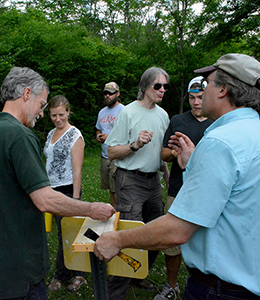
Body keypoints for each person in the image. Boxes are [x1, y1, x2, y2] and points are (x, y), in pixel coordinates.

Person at [94, 53, 260, 299]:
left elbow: (178, 230)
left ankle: (135, 276)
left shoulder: (220, 142)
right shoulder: (251, 130)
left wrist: (117, 239)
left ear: (223, 90)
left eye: (209, 84)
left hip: (219, 289)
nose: (204, 91)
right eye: (157, 85)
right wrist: (193, 162)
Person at [0, 67, 115, 300]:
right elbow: (45, 199)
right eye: (42, 105)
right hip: (22, 268)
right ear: (26, 94)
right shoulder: (19, 135)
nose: (41, 114)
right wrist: (91, 209)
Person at [104, 67, 170, 300]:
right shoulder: (128, 113)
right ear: (145, 87)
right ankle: (116, 291)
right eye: (157, 86)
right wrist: (134, 145)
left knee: (156, 233)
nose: (162, 90)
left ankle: (137, 274)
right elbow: (112, 152)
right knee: (129, 235)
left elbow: (161, 154)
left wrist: (167, 177)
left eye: (165, 86)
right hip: (130, 180)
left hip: (153, 182)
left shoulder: (163, 115)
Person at [154, 76, 213, 300]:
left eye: (200, 97)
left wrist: (196, 153)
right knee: (172, 242)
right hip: (178, 188)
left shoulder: (217, 121)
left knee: (204, 240)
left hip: (207, 191)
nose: (196, 102)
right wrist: (177, 152)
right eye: (192, 98)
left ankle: (203, 285)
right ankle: (171, 285)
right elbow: (163, 153)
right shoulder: (178, 120)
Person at [44, 95, 87, 292]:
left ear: (68, 112)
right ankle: (69, 271)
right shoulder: (51, 133)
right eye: (53, 115)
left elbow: (77, 169)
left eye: (61, 114)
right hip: (51, 189)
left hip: (68, 189)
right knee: (62, 235)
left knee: (69, 233)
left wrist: (76, 200)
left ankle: (72, 274)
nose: (57, 119)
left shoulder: (74, 135)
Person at [96, 82, 124, 207]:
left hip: (117, 156)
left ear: (117, 94)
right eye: (105, 93)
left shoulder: (124, 111)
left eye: (110, 93)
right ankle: (114, 212)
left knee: (117, 190)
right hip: (105, 156)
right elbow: (98, 128)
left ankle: (119, 216)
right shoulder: (102, 112)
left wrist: (109, 137)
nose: (107, 96)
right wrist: (98, 135)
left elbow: (127, 134)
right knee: (110, 189)